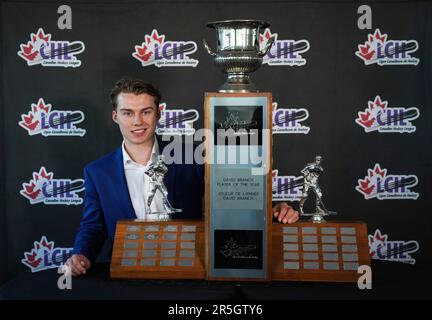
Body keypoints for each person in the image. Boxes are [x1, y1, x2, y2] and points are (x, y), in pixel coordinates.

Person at [65, 77, 299, 276]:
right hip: (128, 272)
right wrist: (80, 254)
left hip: (187, 269)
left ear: (159, 113)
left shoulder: (190, 155)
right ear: (115, 116)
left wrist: (270, 210)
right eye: (128, 113)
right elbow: (93, 226)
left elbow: (230, 196)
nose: (137, 121)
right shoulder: (97, 171)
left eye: (146, 112)